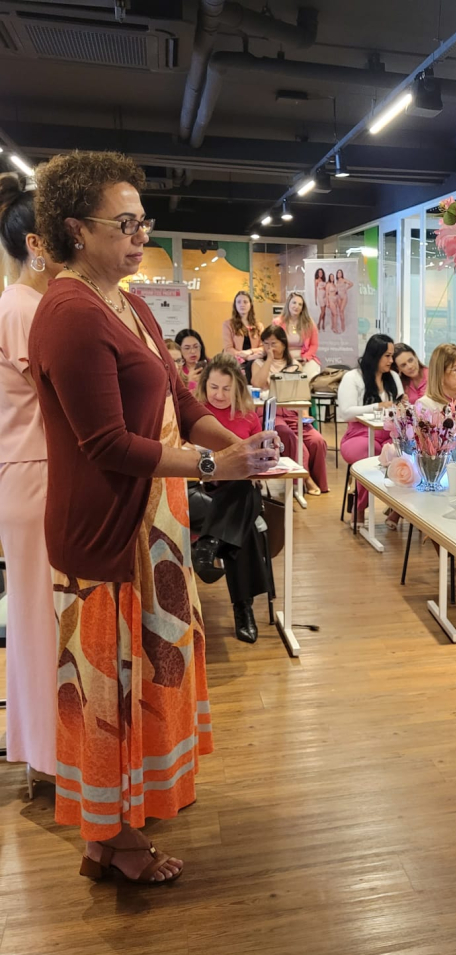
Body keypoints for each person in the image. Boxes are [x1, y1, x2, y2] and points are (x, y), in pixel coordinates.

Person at [30, 150, 279, 882]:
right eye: (126, 224)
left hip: (153, 525)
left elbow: (181, 400)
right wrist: (215, 468)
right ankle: (114, 837)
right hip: (106, 532)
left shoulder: (127, 303)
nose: (142, 236)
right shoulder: (69, 313)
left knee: (140, 681)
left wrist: (238, 448)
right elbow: (107, 445)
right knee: (107, 692)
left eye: (144, 222)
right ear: (76, 229)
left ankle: (114, 826)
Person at [0, 172, 61, 781]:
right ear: (36, 245)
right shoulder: (23, 307)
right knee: (42, 621)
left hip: (33, 472)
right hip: (35, 473)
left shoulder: (24, 305)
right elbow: (58, 396)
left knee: (38, 618)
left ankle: (44, 751)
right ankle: (49, 756)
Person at [194, 354, 274, 642]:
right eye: (214, 387)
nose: (219, 395)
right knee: (245, 524)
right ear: (204, 385)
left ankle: (209, 544)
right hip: (204, 491)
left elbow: (258, 456)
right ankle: (243, 609)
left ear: (237, 388)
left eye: (226, 389)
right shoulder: (195, 413)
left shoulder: (248, 416)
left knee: (242, 489)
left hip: (238, 490)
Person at [251, 323, 329, 495]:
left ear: (283, 343)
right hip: (271, 412)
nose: (269, 347)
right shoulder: (258, 363)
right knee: (286, 434)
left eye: (273, 343)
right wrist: (269, 360)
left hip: (293, 411)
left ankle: (320, 481)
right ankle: (305, 478)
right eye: (266, 343)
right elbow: (257, 384)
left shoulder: (294, 365)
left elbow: (302, 393)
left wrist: (305, 415)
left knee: (317, 440)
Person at [338, 334, 404, 516]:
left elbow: (399, 406)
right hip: (358, 435)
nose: (391, 360)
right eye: (387, 356)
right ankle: (359, 509)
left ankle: (397, 511)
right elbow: (346, 412)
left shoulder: (393, 378)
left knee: (403, 454)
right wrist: (377, 406)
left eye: (392, 356)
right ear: (375, 355)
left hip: (389, 434)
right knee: (372, 453)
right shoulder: (353, 377)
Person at [275, 291, 319, 365]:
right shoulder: (277, 323)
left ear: (302, 308)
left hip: (304, 357)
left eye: (300, 304)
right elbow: (275, 344)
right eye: (294, 303)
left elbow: (314, 345)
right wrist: (289, 359)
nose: (297, 306)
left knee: (313, 367)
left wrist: (306, 356)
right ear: (288, 304)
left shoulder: (309, 323)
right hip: (284, 357)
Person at [222, 289, 263, 363]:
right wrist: (246, 357)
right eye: (238, 302)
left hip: (255, 361)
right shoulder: (228, 325)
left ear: (250, 305)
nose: (242, 305)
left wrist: (250, 351)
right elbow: (228, 349)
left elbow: (263, 347)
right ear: (235, 305)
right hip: (235, 362)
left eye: (245, 302)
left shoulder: (259, 326)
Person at [175, 327, 207, 392]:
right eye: (187, 348)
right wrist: (189, 382)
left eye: (196, 346)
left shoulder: (211, 365)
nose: (193, 351)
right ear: (179, 349)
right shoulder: (177, 369)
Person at [330, 268, 353, 335]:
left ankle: (343, 326)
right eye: (338, 273)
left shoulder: (344, 280)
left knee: (341, 310)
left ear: (342, 274)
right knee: (340, 312)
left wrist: (346, 288)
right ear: (337, 274)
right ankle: (340, 326)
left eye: (340, 272)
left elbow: (351, 284)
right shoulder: (336, 282)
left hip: (344, 297)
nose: (339, 274)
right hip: (339, 298)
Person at [314, 267, 327, 332]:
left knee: (324, 312)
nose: (320, 273)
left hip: (325, 296)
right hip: (320, 296)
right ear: (317, 273)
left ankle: (323, 324)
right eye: (319, 272)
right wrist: (315, 299)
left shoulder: (324, 280)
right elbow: (315, 290)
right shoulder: (316, 280)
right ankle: (318, 324)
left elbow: (326, 288)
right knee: (322, 311)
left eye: (321, 272)